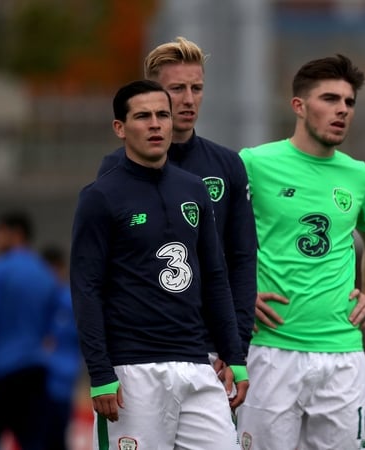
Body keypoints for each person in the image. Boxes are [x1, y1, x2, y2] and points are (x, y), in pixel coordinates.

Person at [70, 79, 246, 449]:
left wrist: (234, 354)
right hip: (133, 370)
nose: (155, 124)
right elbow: (86, 288)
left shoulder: (194, 189)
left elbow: (215, 277)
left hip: (197, 365)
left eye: (162, 115)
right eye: (143, 116)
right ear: (120, 128)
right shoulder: (100, 197)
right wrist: (100, 372)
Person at [236, 54, 365, 450]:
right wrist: (238, 298)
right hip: (271, 348)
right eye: (330, 99)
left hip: (342, 350)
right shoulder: (254, 163)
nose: (342, 110)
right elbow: (213, 238)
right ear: (299, 106)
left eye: (349, 102)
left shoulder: (359, 175)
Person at [97, 36, 258, 366]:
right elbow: (100, 269)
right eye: (177, 89)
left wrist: (237, 346)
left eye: (196, 88)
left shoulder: (227, 166)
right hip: (139, 352)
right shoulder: (116, 169)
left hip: (212, 350)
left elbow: (241, 257)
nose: (188, 100)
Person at [0, 211, 60, 450]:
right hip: (36, 371)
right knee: (33, 442)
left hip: (2, 371)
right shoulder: (45, 274)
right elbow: (52, 328)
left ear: (15, 234)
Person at [41, 245, 82, 450]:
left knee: (57, 440)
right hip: (35, 385)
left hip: (61, 385)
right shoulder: (36, 301)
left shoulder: (70, 301)